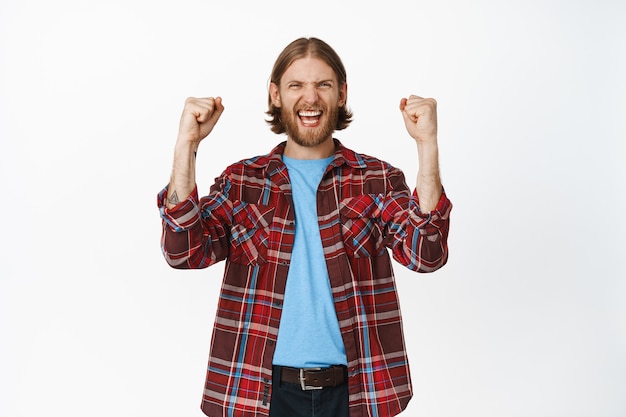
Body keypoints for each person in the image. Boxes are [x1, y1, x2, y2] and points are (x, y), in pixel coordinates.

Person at [158, 37, 452, 417]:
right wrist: (187, 143)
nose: (310, 98)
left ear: (342, 94)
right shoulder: (243, 182)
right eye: (297, 85)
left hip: (357, 395)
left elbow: (426, 255)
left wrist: (427, 144)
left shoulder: (377, 179)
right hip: (258, 394)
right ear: (276, 94)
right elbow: (183, 252)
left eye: (323, 85)